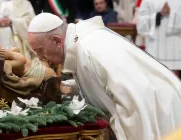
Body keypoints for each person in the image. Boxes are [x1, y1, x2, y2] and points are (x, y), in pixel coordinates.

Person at [27, 13, 181, 140]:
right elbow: (99, 83)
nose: (40, 57)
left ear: (57, 40)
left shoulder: (92, 49)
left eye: (40, 50)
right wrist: (66, 87)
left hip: (159, 110)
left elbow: (134, 99)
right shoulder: (81, 43)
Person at [0, 36, 71, 94]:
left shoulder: (2, 57)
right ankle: (60, 87)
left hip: (33, 65)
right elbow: (21, 60)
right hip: (32, 72)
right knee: (51, 72)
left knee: (45, 63)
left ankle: (58, 83)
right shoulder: (2, 63)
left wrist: (11, 52)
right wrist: (11, 54)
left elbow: (17, 50)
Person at [137, 0, 181, 76]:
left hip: (173, 51)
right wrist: (159, 15)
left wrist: (171, 14)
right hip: (154, 49)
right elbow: (140, 25)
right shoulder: (147, 1)